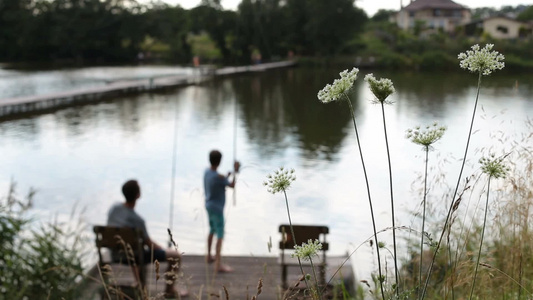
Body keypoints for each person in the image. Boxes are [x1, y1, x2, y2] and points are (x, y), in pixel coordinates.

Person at [107, 179, 188, 298]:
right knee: (176, 256)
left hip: (114, 254)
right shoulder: (138, 220)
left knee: (137, 251)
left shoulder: (114, 208)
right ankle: (169, 290)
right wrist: (162, 249)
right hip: (133, 256)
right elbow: (149, 244)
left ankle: (139, 284)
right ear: (138, 195)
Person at [204, 150, 240, 273]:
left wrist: (227, 175)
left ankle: (209, 256)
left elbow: (220, 179)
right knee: (220, 235)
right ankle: (218, 265)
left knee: (211, 230)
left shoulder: (207, 173)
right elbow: (231, 185)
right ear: (219, 161)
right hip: (218, 209)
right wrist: (236, 171)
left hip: (208, 205)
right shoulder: (219, 178)